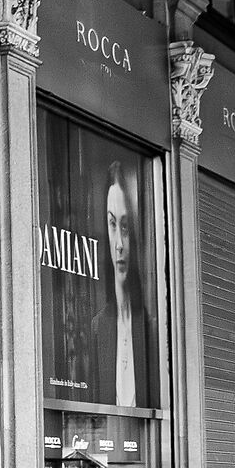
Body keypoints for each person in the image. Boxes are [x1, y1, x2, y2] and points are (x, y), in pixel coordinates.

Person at [91, 159, 150, 408]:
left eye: (125, 227)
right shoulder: (99, 326)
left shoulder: (151, 327)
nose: (119, 244)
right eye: (113, 225)